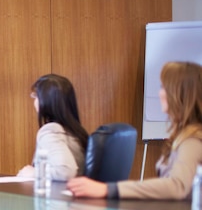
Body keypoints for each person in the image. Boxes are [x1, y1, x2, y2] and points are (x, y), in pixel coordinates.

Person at [68, 61, 202, 199]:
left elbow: (177, 186)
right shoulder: (183, 135)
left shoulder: (192, 140)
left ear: (178, 94)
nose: (160, 93)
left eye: (163, 87)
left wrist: (108, 189)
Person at [17, 74, 89, 181]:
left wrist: (34, 173)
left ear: (45, 100)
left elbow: (65, 171)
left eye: (36, 96)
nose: (34, 101)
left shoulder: (51, 130)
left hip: (58, 196)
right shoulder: (76, 132)